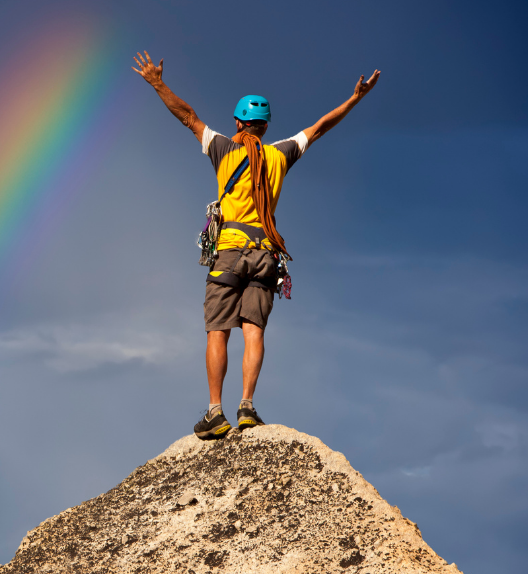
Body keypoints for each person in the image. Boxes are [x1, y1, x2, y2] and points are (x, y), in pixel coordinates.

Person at [132, 51, 380, 439]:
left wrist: (157, 83)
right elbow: (319, 128)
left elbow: (188, 117)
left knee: (218, 330)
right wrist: (355, 99)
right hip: (266, 254)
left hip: (229, 250)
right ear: (265, 127)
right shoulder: (279, 154)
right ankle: (246, 407)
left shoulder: (224, 150)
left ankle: (215, 412)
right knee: (254, 331)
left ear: (238, 122)